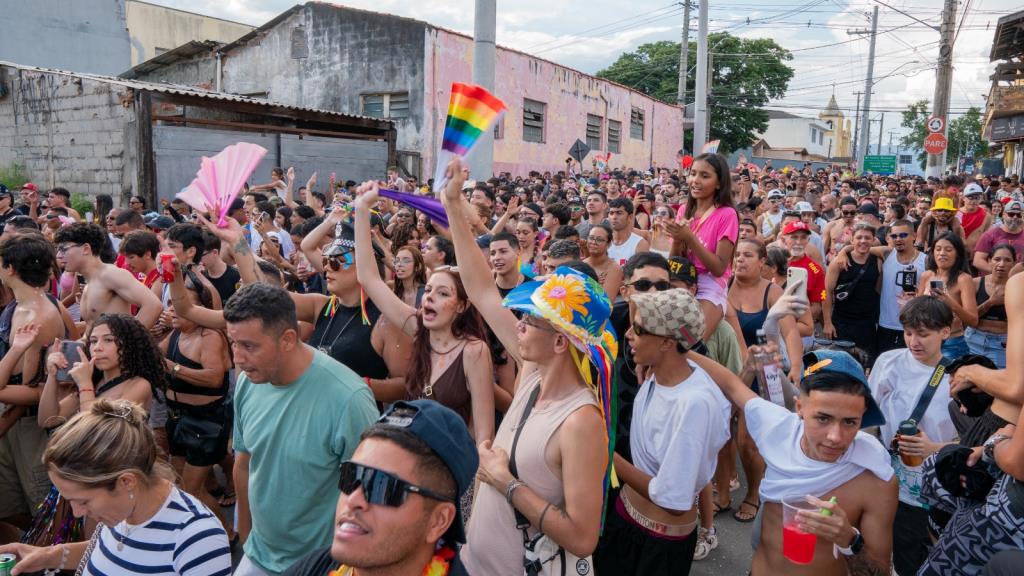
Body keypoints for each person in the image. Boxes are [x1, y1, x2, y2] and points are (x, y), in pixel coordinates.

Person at [441, 159, 611, 575]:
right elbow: (480, 288)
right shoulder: (533, 373)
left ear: (559, 341)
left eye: (528, 319)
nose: (515, 324)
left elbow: (582, 537)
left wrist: (505, 481)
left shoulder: (581, 421)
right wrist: (451, 204)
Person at [695, 344, 897, 576]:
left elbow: (879, 572)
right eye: (823, 418)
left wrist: (849, 541)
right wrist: (671, 348)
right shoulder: (779, 429)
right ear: (800, 407)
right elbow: (730, 384)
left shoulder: (874, 476)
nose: (835, 437)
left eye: (850, 422)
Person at [226, 283, 379, 576]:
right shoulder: (249, 380)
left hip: (323, 564)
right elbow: (243, 464)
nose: (237, 358)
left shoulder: (348, 399)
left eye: (249, 346)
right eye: (233, 343)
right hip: (258, 555)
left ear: (287, 339)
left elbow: (365, 493)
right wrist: (245, 536)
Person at [0, 399, 231, 575]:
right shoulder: (124, 507)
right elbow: (119, 547)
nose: (76, 512)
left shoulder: (197, 539)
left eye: (83, 501)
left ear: (126, 481)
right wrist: (50, 555)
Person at [594, 287, 730, 575]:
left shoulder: (694, 404)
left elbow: (673, 500)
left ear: (668, 343)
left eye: (639, 330)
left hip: (656, 543)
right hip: (625, 518)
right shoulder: (661, 369)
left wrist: (607, 454)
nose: (628, 334)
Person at [353, 185, 495, 441]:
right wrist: (362, 209)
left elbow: (483, 433)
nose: (429, 296)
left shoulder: (474, 351)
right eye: (428, 290)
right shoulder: (418, 329)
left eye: (443, 293)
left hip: (450, 471)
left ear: (461, 306)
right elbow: (368, 278)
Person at [284, 400, 478, 576]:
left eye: (382, 486)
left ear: (438, 521)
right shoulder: (315, 568)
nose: (353, 499)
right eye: (351, 476)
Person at [868, 296, 958, 576]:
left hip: (937, 486)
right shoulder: (889, 361)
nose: (914, 342)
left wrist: (934, 447)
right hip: (890, 477)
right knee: (898, 547)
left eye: (923, 334)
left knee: (933, 552)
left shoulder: (960, 376)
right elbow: (869, 417)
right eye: (908, 333)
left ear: (946, 331)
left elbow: (974, 441)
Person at [0, 234, 69, 534]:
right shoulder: (18, 306)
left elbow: (34, 388)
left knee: (42, 507)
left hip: (31, 425)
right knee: (11, 505)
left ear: (11, 268)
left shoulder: (39, 313)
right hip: (12, 419)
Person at [161, 270, 232, 530]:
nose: (173, 308)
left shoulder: (209, 336)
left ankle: (228, 535)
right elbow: (152, 356)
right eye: (170, 303)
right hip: (177, 417)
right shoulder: (176, 333)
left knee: (192, 491)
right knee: (180, 485)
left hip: (205, 422)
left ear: (198, 309)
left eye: (179, 304)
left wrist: (173, 368)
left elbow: (214, 379)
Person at [667, 153, 738, 340]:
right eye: (693, 174)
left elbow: (718, 268)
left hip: (710, 284)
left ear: (719, 183)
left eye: (704, 176)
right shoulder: (684, 210)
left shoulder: (727, 214)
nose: (695, 180)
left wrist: (690, 238)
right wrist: (677, 239)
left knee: (690, 341)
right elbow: (674, 261)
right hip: (683, 280)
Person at [53, 223, 162, 329]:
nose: (59, 255)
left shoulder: (110, 274)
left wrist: (127, 342)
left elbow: (153, 306)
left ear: (86, 249)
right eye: (58, 249)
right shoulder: (89, 283)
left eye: (64, 249)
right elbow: (94, 328)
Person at [823, 223, 881, 364]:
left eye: (867, 238)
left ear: (873, 240)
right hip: (842, 323)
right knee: (841, 363)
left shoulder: (878, 260)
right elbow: (825, 293)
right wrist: (827, 323)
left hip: (867, 323)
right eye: (859, 237)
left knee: (865, 363)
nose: (863, 241)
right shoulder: (839, 262)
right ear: (852, 240)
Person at [918, 233, 977, 360]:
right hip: (926, 342)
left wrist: (950, 302)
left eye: (948, 249)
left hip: (951, 343)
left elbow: (973, 320)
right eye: (938, 249)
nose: (942, 253)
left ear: (958, 254)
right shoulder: (926, 275)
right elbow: (918, 312)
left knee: (944, 380)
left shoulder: (963, 279)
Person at [966, 244, 1013, 367]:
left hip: (1003, 343)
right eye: (997, 259)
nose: (1001, 264)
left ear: (1014, 263)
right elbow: (966, 319)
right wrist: (991, 302)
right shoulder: (975, 283)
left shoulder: (1017, 287)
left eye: (1007, 260)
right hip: (973, 339)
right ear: (989, 261)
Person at [973, 200, 1024, 273]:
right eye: (1011, 214)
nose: (1015, 217)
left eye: (1019, 215)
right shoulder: (990, 234)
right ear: (1003, 215)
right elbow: (977, 261)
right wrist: (999, 273)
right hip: (993, 281)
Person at [584, 222, 624, 299]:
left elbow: (606, 302)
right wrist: (595, 284)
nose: (593, 242)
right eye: (591, 238)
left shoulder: (614, 269)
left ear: (609, 244)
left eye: (599, 240)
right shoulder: (582, 264)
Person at [606, 198, 650, 265]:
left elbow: (643, 273)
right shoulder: (603, 241)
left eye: (619, 213)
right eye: (611, 213)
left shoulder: (640, 244)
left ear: (630, 217)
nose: (614, 217)